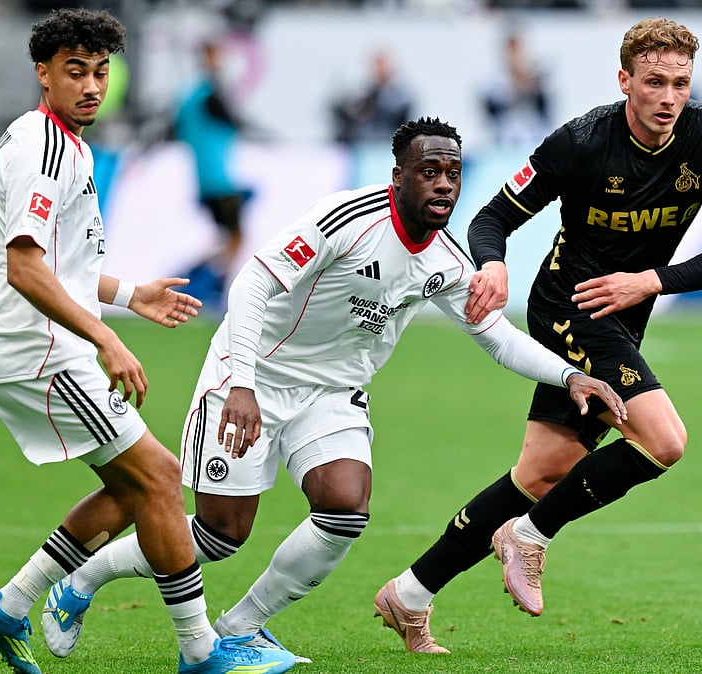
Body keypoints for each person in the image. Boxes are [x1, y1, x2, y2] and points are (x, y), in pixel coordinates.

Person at [36, 117, 627, 662]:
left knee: (345, 507)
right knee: (220, 535)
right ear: (398, 176)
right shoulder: (347, 219)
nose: (444, 185)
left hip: (332, 394)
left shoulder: (446, 260)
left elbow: (496, 337)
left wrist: (570, 375)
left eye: (453, 173)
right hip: (252, 374)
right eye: (429, 172)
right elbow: (250, 288)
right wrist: (240, 382)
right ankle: (79, 582)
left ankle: (241, 628)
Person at [376, 17, 702, 653]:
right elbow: (493, 216)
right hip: (569, 307)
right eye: (655, 82)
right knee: (664, 441)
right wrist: (494, 262)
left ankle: (411, 592)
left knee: (542, 472)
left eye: (680, 84)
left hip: (624, 310)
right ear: (625, 80)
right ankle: (531, 536)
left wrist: (649, 282)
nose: (669, 98)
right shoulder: (581, 141)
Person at [0, 9, 296, 674]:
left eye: (100, 71)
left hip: (27, 343)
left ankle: (11, 602)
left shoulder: (59, 141)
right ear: (43, 74)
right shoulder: (44, 151)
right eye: (74, 71)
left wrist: (129, 295)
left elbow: (59, 264)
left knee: (133, 487)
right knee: (162, 478)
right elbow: (25, 268)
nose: (90, 85)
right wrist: (106, 341)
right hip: (36, 350)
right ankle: (200, 651)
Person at [173, 37, 255, 309]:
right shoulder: (212, 95)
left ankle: (199, 275)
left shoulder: (189, 98)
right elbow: (236, 121)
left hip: (202, 180)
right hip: (220, 181)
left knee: (226, 237)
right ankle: (208, 283)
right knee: (237, 238)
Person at [330, 49, 414, 145]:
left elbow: (399, 117)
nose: (379, 71)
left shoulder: (400, 97)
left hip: (387, 145)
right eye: (377, 67)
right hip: (365, 146)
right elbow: (355, 117)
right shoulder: (366, 94)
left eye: (383, 67)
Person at [481, 31, 551, 146]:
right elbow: (490, 112)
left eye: (519, 51)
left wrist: (531, 88)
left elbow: (546, 112)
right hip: (504, 141)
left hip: (534, 140)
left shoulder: (537, 80)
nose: (515, 56)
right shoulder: (494, 81)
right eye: (511, 51)